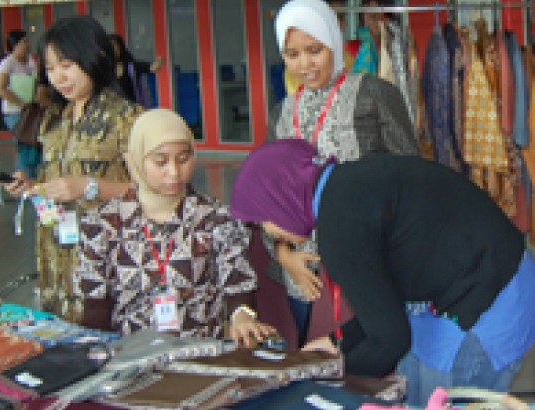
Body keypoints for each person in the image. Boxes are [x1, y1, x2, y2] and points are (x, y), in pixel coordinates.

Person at [230, 138, 535, 405]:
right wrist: (338, 342)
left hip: (489, 300)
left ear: (278, 199)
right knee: (414, 390)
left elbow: (390, 341)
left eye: (262, 222)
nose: (270, 233)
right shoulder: (346, 188)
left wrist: (322, 377)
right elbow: (383, 304)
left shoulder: (339, 228)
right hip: (481, 279)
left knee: (436, 396)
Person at [259, 0, 419, 346]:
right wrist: (285, 256)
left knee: (370, 364)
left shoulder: (375, 95)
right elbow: (269, 195)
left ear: (333, 40)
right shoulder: (282, 114)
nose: (305, 64)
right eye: (292, 54)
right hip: (305, 274)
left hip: (368, 266)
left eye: (314, 50)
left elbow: (412, 180)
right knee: (318, 368)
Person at [76, 108, 274, 345]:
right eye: (160, 161)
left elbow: (237, 285)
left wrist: (241, 316)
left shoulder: (215, 217)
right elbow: (96, 306)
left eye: (183, 159)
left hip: (200, 352)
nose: (174, 172)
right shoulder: (103, 223)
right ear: (137, 160)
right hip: (131, 355)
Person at [5, 15, 143, 322]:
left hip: (107, 256)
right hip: (57, 253)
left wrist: (90, 187)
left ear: (93, 57)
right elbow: (54, 180)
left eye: (67, 65)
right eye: (51, 68)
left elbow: (151, 193)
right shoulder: (55, 118)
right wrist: (31, 186)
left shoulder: (126, 118)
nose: (58, 77)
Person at [0, 30, 41, 179]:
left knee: (34, 145)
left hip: (31, 110)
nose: (28, 45)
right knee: (24, 145)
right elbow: (0, 89)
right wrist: (21, 103)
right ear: (14, 45)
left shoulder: (30, 61)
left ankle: (32, 179)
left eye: (28, 41)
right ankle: (21, 181)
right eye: (24, 42)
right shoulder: (7, 63)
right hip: (15, 113)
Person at [108, 34, 164, 106]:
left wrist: (157, 64)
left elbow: (151, 68)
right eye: (110, 48)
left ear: (121, 48)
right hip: (113, 111)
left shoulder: (131, 66)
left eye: (115, 47)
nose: (113, 50)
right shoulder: (104, 70)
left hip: (133, 110)